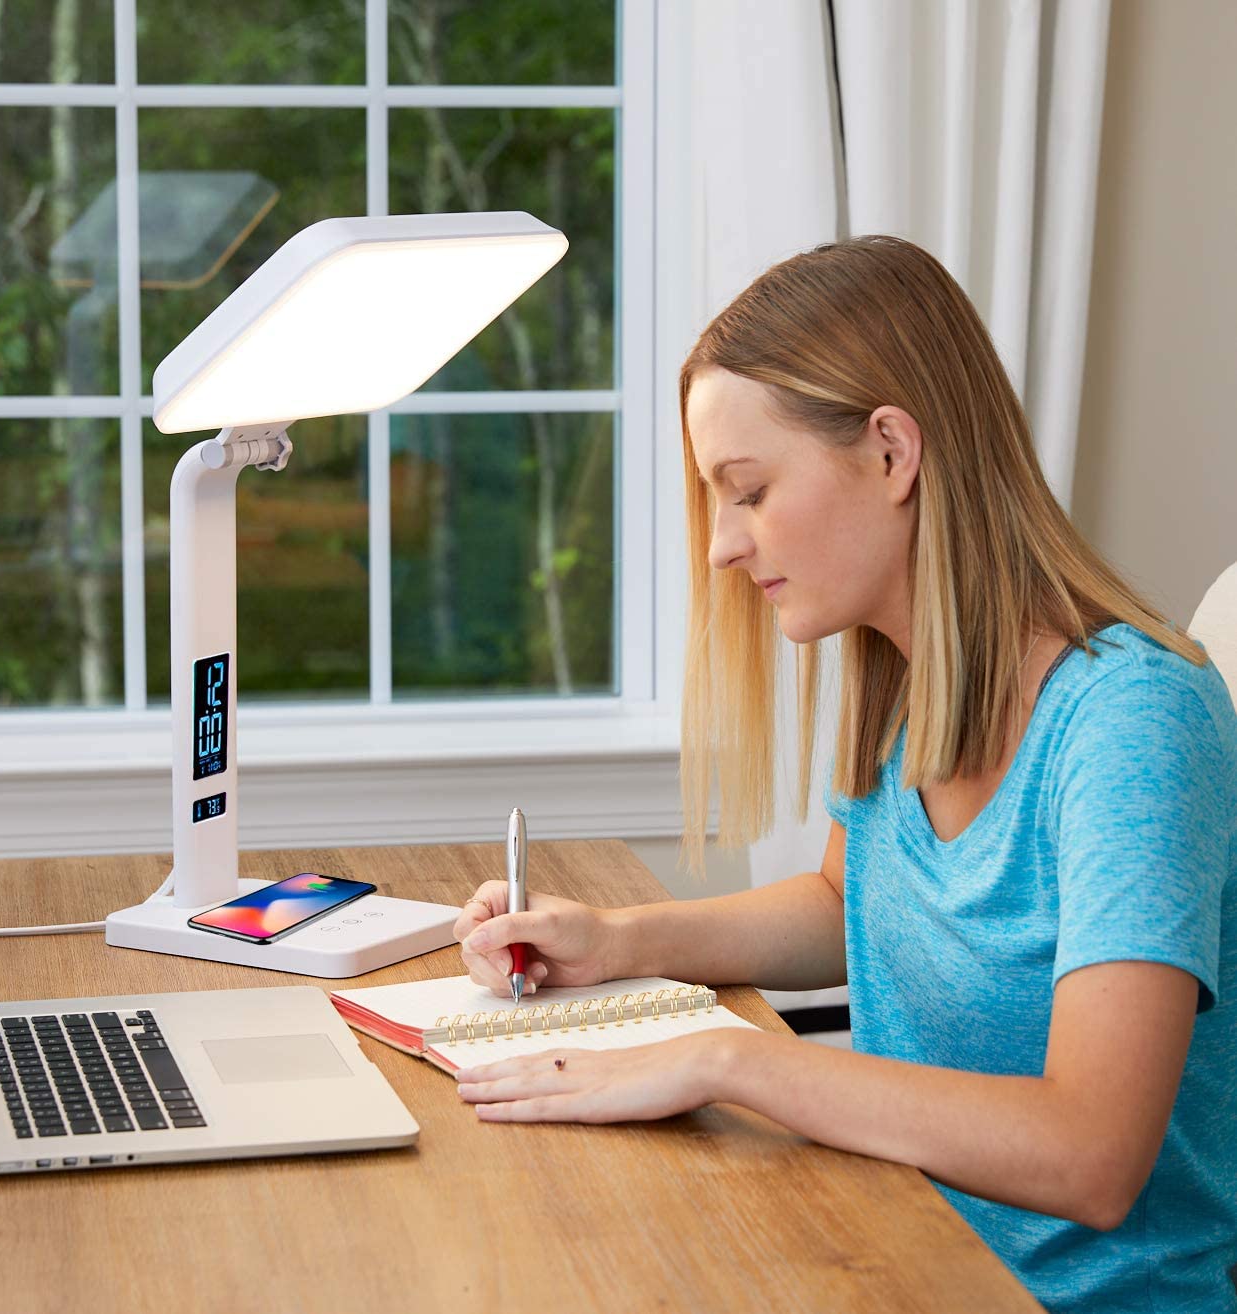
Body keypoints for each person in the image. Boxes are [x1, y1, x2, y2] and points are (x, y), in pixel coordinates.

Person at [452, 236, 1237, 1314]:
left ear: (891, 453)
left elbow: (1091, 1157)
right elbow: (844, 900)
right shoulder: (913, 678)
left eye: (750, 490)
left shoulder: (1133, 724)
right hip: (885, 1249)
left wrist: (735, 1064)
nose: (724, 546)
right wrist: (620, 944)